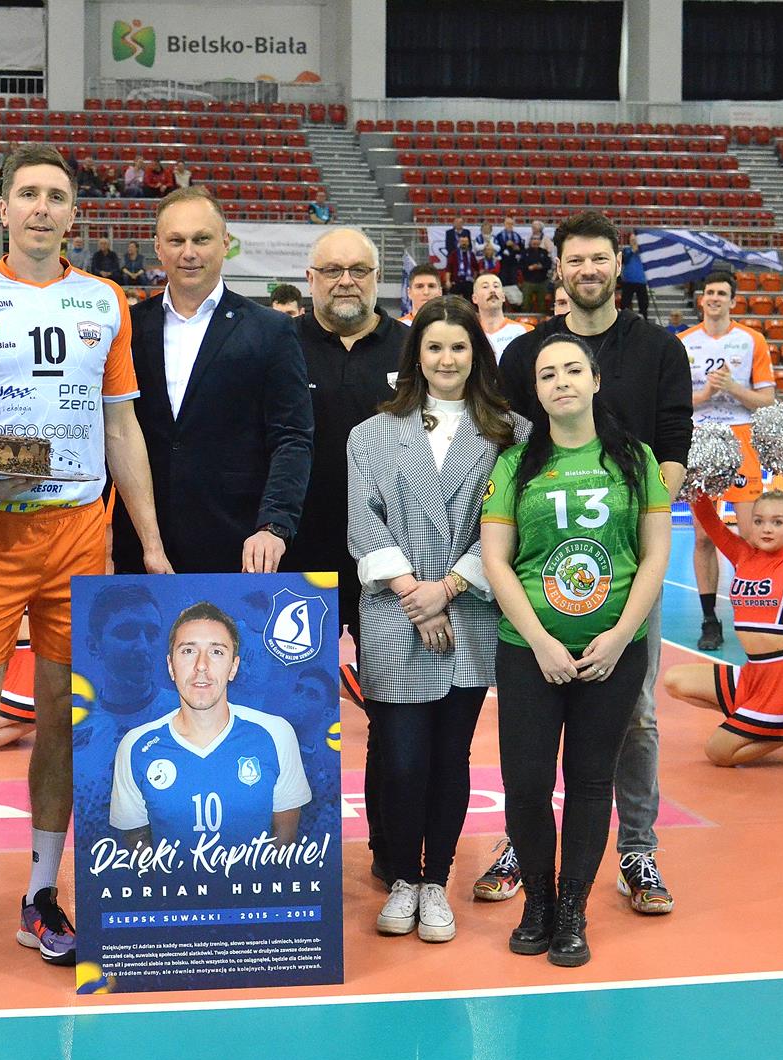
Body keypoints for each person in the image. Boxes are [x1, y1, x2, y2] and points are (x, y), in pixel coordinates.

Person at [0, 144, 171, 985]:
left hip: (79, 536)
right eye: (28, 194)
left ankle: (41, 896)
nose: (42, 208)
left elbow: (122, 428)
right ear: (4, 209)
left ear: (73, 213)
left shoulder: (104, 300)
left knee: (61, 720)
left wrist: (151, 543)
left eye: (57, 196)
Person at [484, 211, 691, 915]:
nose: (588, 270)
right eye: (575, 260)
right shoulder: (526, 353)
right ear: (559, 270)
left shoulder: (658, 348)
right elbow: (508, 448)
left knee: (636, 714)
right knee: (530, 734)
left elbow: (673, 444)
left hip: (625, 568)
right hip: (543, 567)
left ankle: (637, 850)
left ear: (616, 264)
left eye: (599, 258)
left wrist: (636, 532)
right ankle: (522, 846)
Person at [481, 333, 672, 967]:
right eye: (547, 374)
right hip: (529, 651)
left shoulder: (637, 459)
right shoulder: (515, 464)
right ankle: (536, 902)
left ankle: (571, 911)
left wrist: (620, 637)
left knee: (591, 782)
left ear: (594, 381)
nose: (560, 381)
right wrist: (539, 641)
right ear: (535, 392)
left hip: (613, 651)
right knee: (526, 784)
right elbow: (497, 561)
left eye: (571, 370)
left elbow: (654, 557)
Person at [347, 296, 525, 942]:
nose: (446, 359)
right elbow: (363, 522)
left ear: (476, 354)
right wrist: (413, 593)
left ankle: (435, 882)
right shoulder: (369, 435)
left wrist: (448, 588)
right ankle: (401, 877)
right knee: (400, 760)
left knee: (452, 758)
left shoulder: (511, 433)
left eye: (458, 347)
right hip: (393, 613)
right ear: (415, 355)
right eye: (434, 347)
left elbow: (507, 527)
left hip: (467, 612)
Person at [283, 226, 406, 881]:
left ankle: (392, 850)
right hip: (299, 559)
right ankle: (290, 851)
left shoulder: (412, 349)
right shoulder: (281, 345)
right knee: (290, 710)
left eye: (359, 269)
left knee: (392, 711)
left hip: (390, 563)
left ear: (377, 276)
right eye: (332, 270)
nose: (346, 281)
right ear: (311, 278)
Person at [114, 186, 312, 575]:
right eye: (176, 241)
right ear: (158, 248)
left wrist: (274, 525)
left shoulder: (271, 330)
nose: (189, 252)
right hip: (142, 546)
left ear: (225, 243)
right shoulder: (127, 328)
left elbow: (292, 437)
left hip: (240, 546)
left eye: (201, 239)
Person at [110, 602, 310, 846]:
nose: (201, 665)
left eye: (216, 652)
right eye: (188, 651)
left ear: (234, 667)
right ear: (171, 667)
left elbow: (285, 843)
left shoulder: (276, 735)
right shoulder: (136, 746)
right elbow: (138, 850)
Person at [667, 481, 783, 767]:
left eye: (777, 522)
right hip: (754, 674)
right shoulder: (743, 556)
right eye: (759, 521)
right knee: (674, 680)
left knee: (718, 753)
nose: (766, 529)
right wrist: (696, 482)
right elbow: (710, 521)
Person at [681, 270, 776, 650]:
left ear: (733, 301)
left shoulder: (752, 341)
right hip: (700, 440)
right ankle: (710, 619)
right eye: (710, 292)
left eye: (722, 293)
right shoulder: (684, 342)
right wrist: (705, 395)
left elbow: (767, 401)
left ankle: (755, 612)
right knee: (704, 535)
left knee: (752, 534)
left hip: (741, 441)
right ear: (701, 299)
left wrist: (733, 388)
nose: (715, 298)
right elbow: (673, 401)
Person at [472, 273, 531, 358]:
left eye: (496, 286)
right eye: (485, 287)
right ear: (474, 298)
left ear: (503, 297)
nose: (492, 290)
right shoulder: (469, 332)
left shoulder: (525, 331)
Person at [618, 234, 649, 317]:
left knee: (643, 304)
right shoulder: (626, 250)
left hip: (641, 281)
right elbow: (623, 260)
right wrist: (632, 251)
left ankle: (643, 320)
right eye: (632, 240)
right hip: (628, 281)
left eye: (635, 240)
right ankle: (624, 319)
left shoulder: (643, 251)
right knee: (625, 303)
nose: (634, 242)